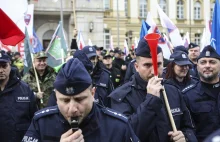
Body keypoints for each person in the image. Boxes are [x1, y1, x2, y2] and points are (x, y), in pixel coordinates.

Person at [22, 58, 139, 142]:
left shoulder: (117, 126)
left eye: (80, 99)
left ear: (93, 93)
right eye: (65, 101)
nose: (72, 109)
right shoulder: (41, 123)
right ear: (56, 97)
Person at [109, 38, 197, 142]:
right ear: (136, 67)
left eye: (158, 64)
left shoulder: (173, 91)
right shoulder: (120, 96)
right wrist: (151, 100)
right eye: (147, 65)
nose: (153, 71)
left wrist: (185, 137)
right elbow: (127, 135)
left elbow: (189, 127)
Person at [182, 45, 220, 141]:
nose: (207, 65)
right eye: (203, 62)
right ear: (197, 66)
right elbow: (187, 128)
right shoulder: (187, 95)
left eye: (212, 62)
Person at [0, 50, 38, 142]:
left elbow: (35, 119)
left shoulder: (24, 89)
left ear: (10, 65)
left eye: (4, 66)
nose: (1, 70)